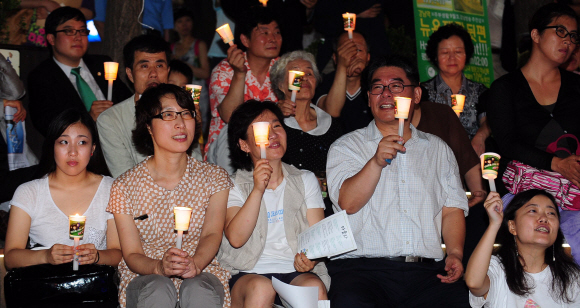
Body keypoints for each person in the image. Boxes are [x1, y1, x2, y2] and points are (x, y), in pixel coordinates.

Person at [326, 55, 470, 307]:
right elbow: (346, 203)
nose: (385, 93)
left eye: (395, 86)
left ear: (415, 95)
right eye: (377, 87)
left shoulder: (437, 149)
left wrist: (455, 253)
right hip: (363, 271)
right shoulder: (346, 146)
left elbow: (452, 208)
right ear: (369, 97)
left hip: (427, 273)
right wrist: (375, 163)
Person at [108, 84, 232, 308]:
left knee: (196, 289)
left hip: (202, 269)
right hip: (144, 275)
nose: (180, 123)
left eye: (186, 114)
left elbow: (212, 233)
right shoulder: (125, 186)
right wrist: (158, 267)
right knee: (158, 288)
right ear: (148, 126)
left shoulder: (214, 178)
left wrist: (196, 263)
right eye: (168, 115)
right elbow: (132, 253)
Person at [487, 3, 580, 263]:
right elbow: (506, 144)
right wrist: (556, 164)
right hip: (524, 192)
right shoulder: (505, 88)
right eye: (560, 31)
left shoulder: (577, 86)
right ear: (536, 35)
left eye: (573, 36)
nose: (568, 41)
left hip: (574, 190)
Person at [218, 100, 329, 307]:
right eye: (262, 130)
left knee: (315, 290)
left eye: (276, 126)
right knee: (261, 288)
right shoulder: (234, 184)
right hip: (247, 271)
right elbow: (236, 238)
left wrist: (310, 259)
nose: (273, 135)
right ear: (244, 144)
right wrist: (258, 189)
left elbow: (317, 237)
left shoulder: (304, 179)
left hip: (293, 270)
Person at [4, 109, 122, 270]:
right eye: (64, 142)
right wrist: (45, 256)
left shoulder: (112, 188)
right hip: (44, 287)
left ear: (93, 149)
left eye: (82, 142)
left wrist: (98, 256)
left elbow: (118, 252)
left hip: (95, 285)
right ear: (52, 146)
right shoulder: (29, 193)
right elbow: (11, 257)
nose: (72, 152)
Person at [97, 35, 203, 178]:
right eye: (144, 66)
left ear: (168, 71)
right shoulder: (111, 120)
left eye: (159, 66)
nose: (153, 74)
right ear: (130, 74)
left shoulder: (184, 112)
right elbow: (124, 177)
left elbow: (197, 167)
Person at [465, 190, 580, 307]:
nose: (544, 218)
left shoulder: (571, 277)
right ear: (512, 226)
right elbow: (474, 283)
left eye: (551, 213)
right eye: (533, 211)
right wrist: (494, 224)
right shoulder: (498, 269)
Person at [28, 6, 131, 135]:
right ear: (51, 38)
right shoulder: (41, 77)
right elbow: (47, 125)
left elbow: (128, 103)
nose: (78, 37)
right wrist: (86, 119)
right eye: (69, 31)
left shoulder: (102, 64)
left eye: (82, 31)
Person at [206, 6, 282, 159]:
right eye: (264, 33)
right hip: (230, 147)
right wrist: (239, 74)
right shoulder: (224, 70)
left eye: (277, 32)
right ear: (245, 40)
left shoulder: (283, 68)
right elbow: (230, 117)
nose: (273, 38)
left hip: (271, 145)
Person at [422, 23, 490, 156]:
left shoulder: (480, 90)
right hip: (435, 156)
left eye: (458, 52)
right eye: (445, 52)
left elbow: (488, 121)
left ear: (467, 54)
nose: (452, 58)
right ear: (435, 56)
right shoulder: (422, 91)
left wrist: (480, 136)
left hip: (472, 155)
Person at [271, 50, 343, 174]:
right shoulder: (270, 121)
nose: (304, 78)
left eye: (309, 73)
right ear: (281, 85)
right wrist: (274, 114)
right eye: (296, 74)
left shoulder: (331, 126)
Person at [315, 31, 373, 134]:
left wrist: (365, 75)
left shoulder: (374, 83)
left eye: (358, 49)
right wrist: (342, 67)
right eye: (345, 50)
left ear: (368, 57)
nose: (352, 54)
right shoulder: (324, 82)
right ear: (335, 58)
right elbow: (331, 113)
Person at [171, 8, 211, 138]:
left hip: (197, 91)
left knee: (198, 125)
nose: (184, 25)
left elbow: (205, 73)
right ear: (175, 26)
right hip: (177, 90)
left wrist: (184, 65)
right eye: (180, 21)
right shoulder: (172, 48)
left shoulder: (199, 45)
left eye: (187, 21)